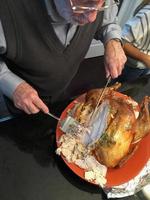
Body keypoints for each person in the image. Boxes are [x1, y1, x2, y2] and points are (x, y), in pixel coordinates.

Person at [0, 0, 126, 115]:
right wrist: (14, 87)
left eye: (100, 5)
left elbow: (108, 21)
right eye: (84, 5)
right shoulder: (6, 10)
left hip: (62, 91)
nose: (92, 18)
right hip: (23, 104)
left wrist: (112, 41)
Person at [117, 0, 150, 83]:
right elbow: (122, 42)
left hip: (144, 67)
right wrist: (145, 58)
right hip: (131, 67)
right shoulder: (147, 14)